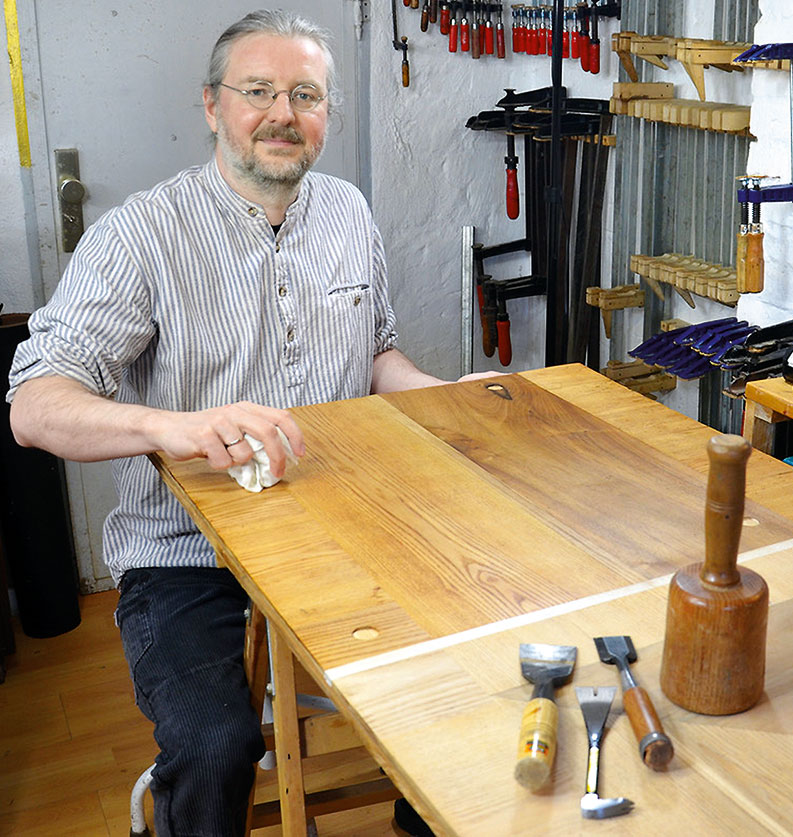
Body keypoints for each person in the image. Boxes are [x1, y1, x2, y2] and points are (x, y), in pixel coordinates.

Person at [7, 9, 495, 836]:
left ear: (327, 117)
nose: (282, 114)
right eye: (257, 91)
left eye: (305, 95)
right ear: (211, 106)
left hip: (345, 526)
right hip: (185, 554)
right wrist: (175, 427)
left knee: (457, 685)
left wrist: (444, 394)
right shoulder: (139, 236)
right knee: (214, 742)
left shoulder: (346, 214)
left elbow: (377, 357)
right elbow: (33, 406)